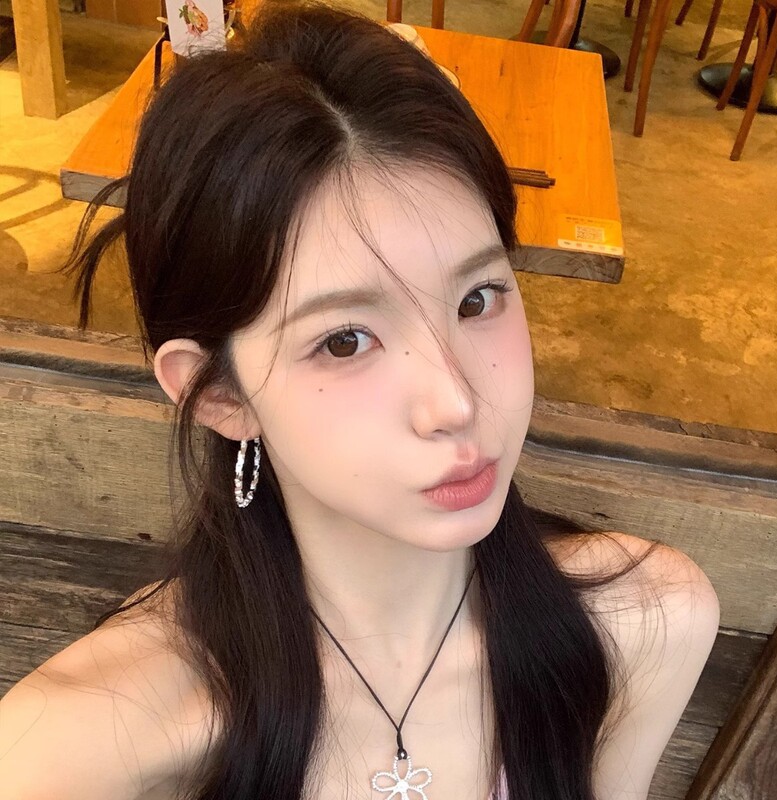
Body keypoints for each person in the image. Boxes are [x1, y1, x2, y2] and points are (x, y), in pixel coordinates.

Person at [0, 1, 720, 799]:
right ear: (221, 395)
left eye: (477, 298)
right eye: (344, 341)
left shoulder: (645, 624)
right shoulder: (71, 750)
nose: (454, 401)